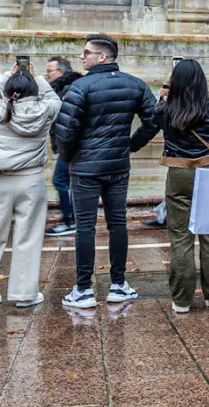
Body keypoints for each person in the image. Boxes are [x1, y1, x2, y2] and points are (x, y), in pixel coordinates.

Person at [50, 33, 156, 308]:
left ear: (102, 57)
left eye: (86, 52)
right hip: (118, 166)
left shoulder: (80, 87)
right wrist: (132, 145)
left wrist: (69, 157)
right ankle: (118, 284)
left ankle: (83, 289)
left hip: (85, 168)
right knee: (117, 223)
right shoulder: (135, 85)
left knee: (85, 226)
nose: (82, 57)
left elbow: (65, 129)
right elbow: (155, 119)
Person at [135, 57, 209, 314]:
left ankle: (182, 300)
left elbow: (155, 119)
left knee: (180, 237)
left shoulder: (165, 109)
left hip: (179, 172)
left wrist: (167, 88)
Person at [0, 64, 61, 308]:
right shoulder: (46, 110)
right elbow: (52, 96)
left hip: (1, 179)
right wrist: (35, 76)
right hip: (32, 179)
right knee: (28, 236)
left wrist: (8, 75)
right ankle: (24, 294)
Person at [44, 56, 81, 236]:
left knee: (60, 179)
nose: (46, 75)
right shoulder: (66, 88)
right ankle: (74, 220)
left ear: (60, 72)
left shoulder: (67, 90)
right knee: (68, 181)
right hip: (71, 145)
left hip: (71, 146)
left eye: (49, 71)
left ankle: (70, 221)